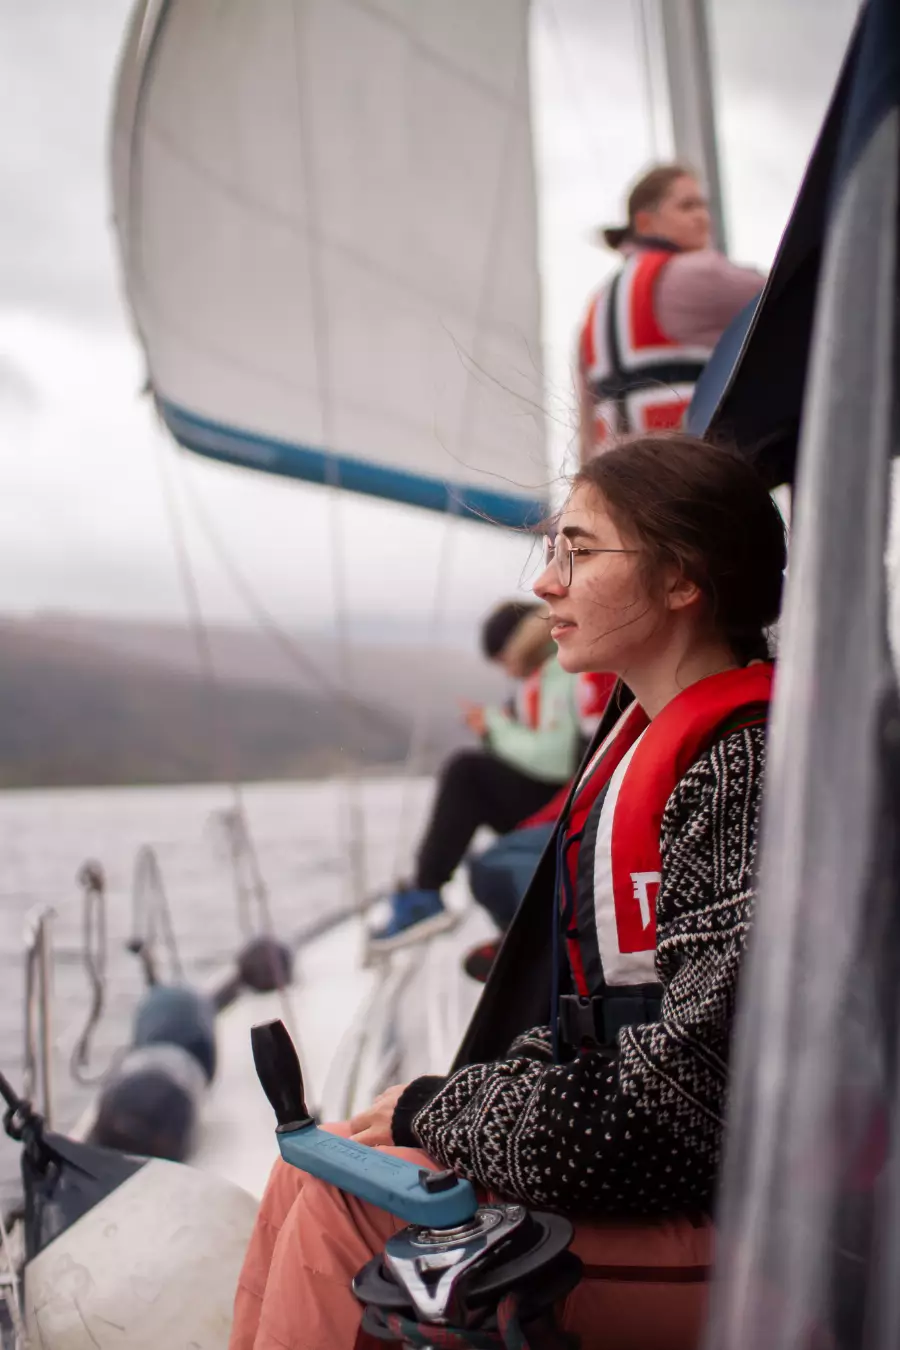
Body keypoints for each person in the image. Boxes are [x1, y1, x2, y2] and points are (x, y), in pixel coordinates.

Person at [229, 432, 786, 1350]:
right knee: (318, 1166)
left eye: (579, 551)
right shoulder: (670, 753)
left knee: (343, 1208)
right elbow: (607, 1036)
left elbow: (684, 1114)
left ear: (683, 578)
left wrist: (440, 1109)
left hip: (760, 1235)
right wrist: (462, 1097)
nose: (545, 583)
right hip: (665, 1192)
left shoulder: (743, 774)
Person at [369, 600, 581, 950]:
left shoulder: (562, 668)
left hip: (567, 798)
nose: (508, 672)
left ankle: (426, 893)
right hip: (559, 794)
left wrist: (493, 726)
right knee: (471, 786)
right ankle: (512, 928)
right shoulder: (547, 673)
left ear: (515, 646)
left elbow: (555, 759)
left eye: (503, 662)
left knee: (465, 773)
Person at [578, 163, 765, 460]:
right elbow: (790, 293)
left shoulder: (594, 309)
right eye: (687, 206)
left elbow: (585, 424)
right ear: (645, 223)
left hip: (615, 476)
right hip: (685, 469)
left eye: (703, 206)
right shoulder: (698, 274)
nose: (703, 217)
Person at [462, 670, 616, 983]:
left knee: (495, 862)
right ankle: (527, 937)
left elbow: (562, 760)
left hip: (597, 809)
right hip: (583, 803)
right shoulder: (583, 680)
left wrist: (495, 726)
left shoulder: (590, 677)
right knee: (486, 864)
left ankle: (542, 945)